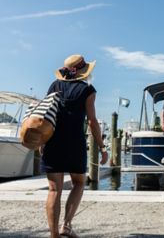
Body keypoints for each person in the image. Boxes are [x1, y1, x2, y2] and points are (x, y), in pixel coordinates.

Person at [40, 54, 108, 238]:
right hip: (75, 144)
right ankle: (67, 225)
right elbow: (92, 122)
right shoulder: (88, 90)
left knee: (54, 190)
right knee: (79, 183)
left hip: (52, 141)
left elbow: (46, 113)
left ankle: (54, 235)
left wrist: (43, 141)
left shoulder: (55, 86)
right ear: (83, 71)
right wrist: (102, 148)